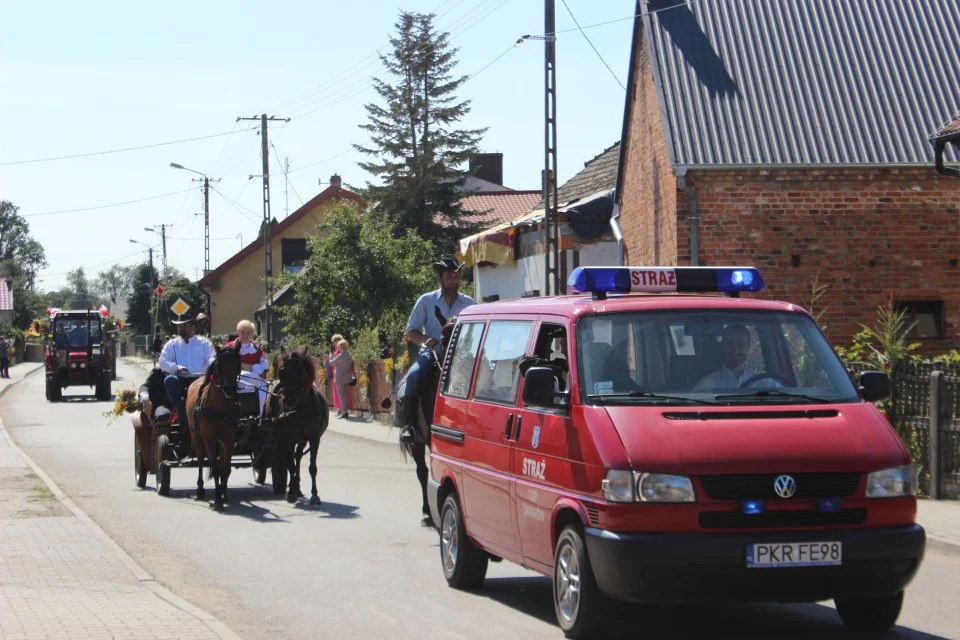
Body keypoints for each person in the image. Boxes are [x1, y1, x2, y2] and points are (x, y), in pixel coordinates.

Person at [399, 257, 476, 444]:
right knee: (413, 376)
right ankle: (409, 425)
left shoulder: (470, 303)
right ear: (439, 279)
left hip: (462, 353)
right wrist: (427, 340)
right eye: (449, 277)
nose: (454, 280)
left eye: (456, 277)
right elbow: (412, 331)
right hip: (432, 351)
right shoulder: (426, 300)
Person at [158, 314, 216, 425]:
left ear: (193, 327)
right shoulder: (171, 345)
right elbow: (162, 362)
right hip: (181, 379)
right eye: (179, 327)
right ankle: (183, 413)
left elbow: (212, 359)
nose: (181, 329)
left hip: (201, 379)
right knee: (169, 380)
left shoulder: (204, 343)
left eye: (184, 326)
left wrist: (210, 366)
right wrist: (177, 368)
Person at [693, 324, 781, 391]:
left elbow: (788, 396)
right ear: (723, 346)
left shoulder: (762, 383)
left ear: (748, 347)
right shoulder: (707, 385)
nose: (736, 350)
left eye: (741, 344)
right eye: (730, 344)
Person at [226, 320, 269, 418]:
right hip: (237, 376)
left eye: (248, 332)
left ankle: (262, 415)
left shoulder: (256, 349)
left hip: (255, 378)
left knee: (264, 389)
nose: (245, 335)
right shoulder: (230, 347)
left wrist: (254, 368)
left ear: (252, 334)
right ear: (238, 332)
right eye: (242, 332)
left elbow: (264, 363)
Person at [328, 338, 354, 419]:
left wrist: (331, 356)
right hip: (347, 377)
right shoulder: (349, 355)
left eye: (338, 346)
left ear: (341, 347)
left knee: (341, 395)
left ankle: (344, 412)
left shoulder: (340, 355)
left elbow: (331, 363)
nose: (337, 348)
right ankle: (345, 411)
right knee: (345, 395)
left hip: (339, 378)